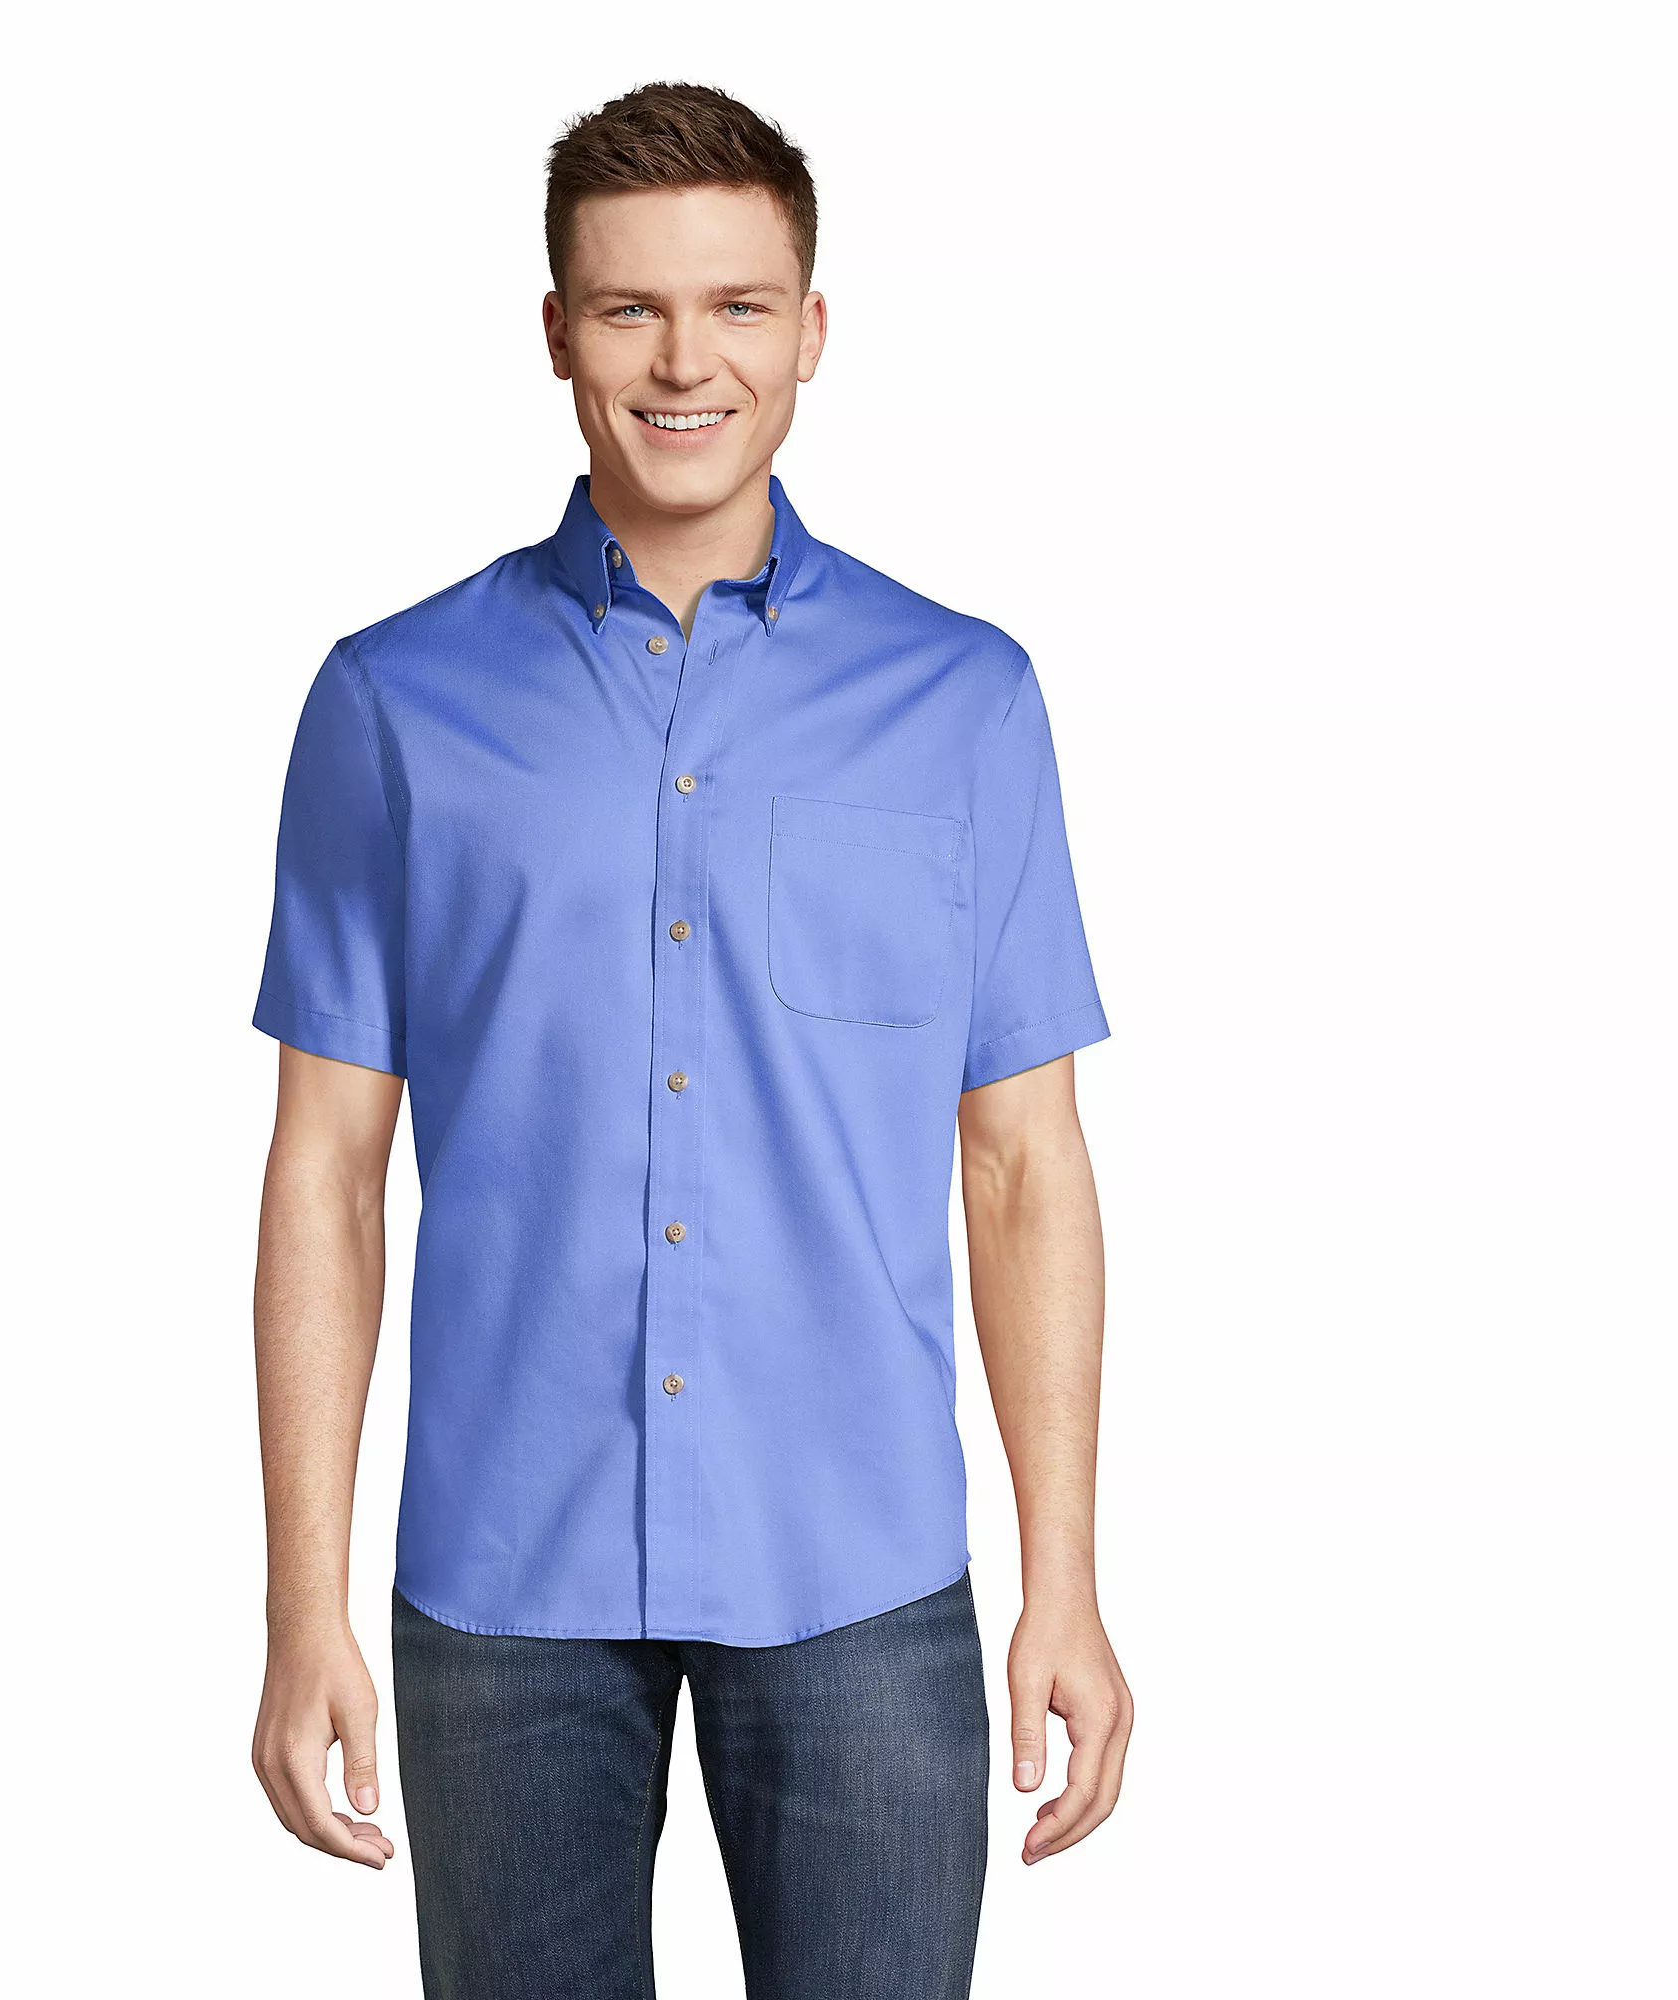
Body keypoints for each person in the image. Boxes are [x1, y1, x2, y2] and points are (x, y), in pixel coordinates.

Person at [247, 79, 1132, 2000]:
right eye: (630, 307)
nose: (683, 361)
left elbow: (1022, 1165)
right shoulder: (392, 703)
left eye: (735, 306)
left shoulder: (966, 701)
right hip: (507, 1581)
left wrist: (1063, 1574)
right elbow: (324, 1172)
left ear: (811, 331)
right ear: (556, 332)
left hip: (860, 1575)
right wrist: (302, 1602)